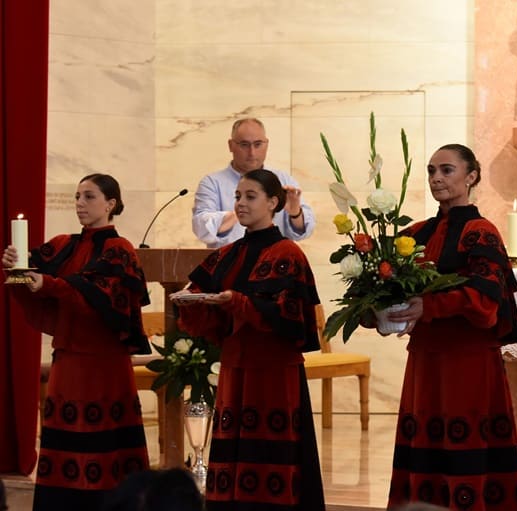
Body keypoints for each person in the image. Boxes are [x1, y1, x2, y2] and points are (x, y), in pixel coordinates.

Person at [383, 144, 517, 511]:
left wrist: (429, 305)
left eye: (447, 170)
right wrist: (377, 310)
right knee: (426, 449)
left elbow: (485, 299)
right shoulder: (415, 233)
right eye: (432, 171)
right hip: (425, 359)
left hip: (467, 361)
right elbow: (387, 287)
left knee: (465, 449)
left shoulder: (481, 232)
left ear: (472, 176)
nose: (436, 178)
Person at [172, 169, 325, 510]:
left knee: (271, 456)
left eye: (250, 197)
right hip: (235, 368)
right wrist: (189, 300)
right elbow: (200, 291)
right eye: (238, 196)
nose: (240, 203)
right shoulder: (228, 253)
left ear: (273, 203)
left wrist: (238, 302)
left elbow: (291, 314)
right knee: (233, 456)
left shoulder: (288, 253)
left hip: (274, 372)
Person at [2, 174, 151, 511]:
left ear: (110, 204)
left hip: (105, 364)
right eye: (77, 197)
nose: (80, 204)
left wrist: (46, 283)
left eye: (89, 197)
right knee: (63, 446)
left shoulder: (120, 249)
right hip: (68, 360)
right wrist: (17, 266)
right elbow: (34, 277)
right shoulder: (62, 244)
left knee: (105, 450)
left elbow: (95, 295)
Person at [192, 118, 315, 248]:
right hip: (229, 264)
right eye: (244, 145)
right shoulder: (212, 183)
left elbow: (304, 231)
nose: (252, 152)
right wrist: (241, 212)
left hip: (273, 262)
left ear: (266, 144)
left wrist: (295, 213)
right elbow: (201, 227)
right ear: (231, 145)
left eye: (258, 144)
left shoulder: (283, 180)